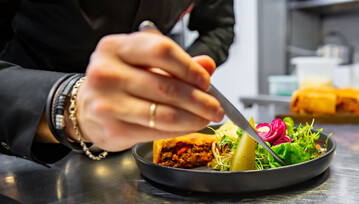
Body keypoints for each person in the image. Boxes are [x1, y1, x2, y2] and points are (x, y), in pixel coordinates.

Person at [0, 0, 235, 164]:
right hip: (22, 145)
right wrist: (68, 103)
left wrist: (180, 74)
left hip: (130, 155)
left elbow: (218, 27)